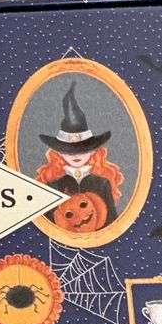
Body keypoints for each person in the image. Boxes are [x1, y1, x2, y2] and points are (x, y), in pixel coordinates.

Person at [36, 81, 123, 227]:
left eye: (83, 150)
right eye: (69, 151)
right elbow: (49, 223)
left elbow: (111, 221)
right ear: (59, 153)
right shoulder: (53, 186)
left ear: (93, 151)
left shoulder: (102, 184)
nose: (76, 156)